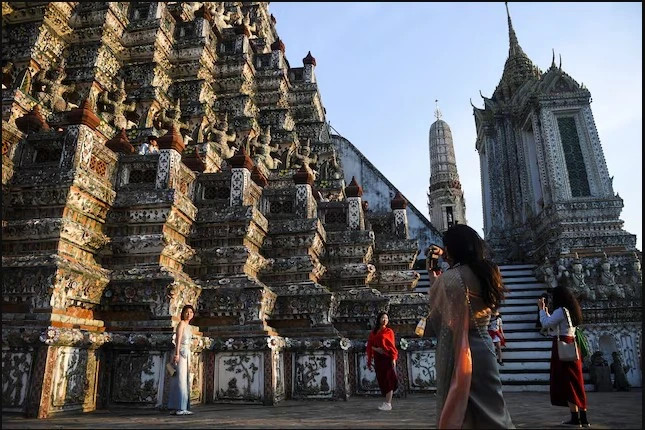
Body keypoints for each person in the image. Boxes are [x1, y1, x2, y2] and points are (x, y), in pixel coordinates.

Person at [428, 224, 514, 428]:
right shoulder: (490, 271)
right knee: (493, 408)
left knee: (462, 412)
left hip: (461, 349)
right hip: (484, 345)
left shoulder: (450, 278)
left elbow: (438, 319)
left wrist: (434, 275)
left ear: (451, 249)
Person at [538, 286, 590, 427]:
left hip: (562, 346)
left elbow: (546, 324)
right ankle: (583, 417)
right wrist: (547, 313)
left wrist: (541, 310)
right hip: (572, 345)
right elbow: (555, 325)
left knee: (568, 382)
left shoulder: (561, 310)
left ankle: (575, 417)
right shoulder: (571, 310)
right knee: (576, 381)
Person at [366, 312, 399, 411]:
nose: (385, 320)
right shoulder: (374, 333)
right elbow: (370, 345)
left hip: (387, 357)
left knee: (389, 379)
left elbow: (392, 346)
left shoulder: (389, 331)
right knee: (382, 379)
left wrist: (393, 358)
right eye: (383, 318)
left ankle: (388, 403)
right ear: (379, 319)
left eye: (386, 318)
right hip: (378, 358)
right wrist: (377, 350)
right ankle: (386, 401)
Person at [168, 304, 195, 415]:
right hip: (181, 353)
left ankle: (179, 406)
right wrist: (177, 354)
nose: (189, 314)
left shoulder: (189, 327)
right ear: (183, 313)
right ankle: (180, 407)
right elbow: (178, 340)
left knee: (184, 379)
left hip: (187, 353)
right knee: (180, 380)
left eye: (191, 312)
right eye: (187, 312)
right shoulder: (182, 324)